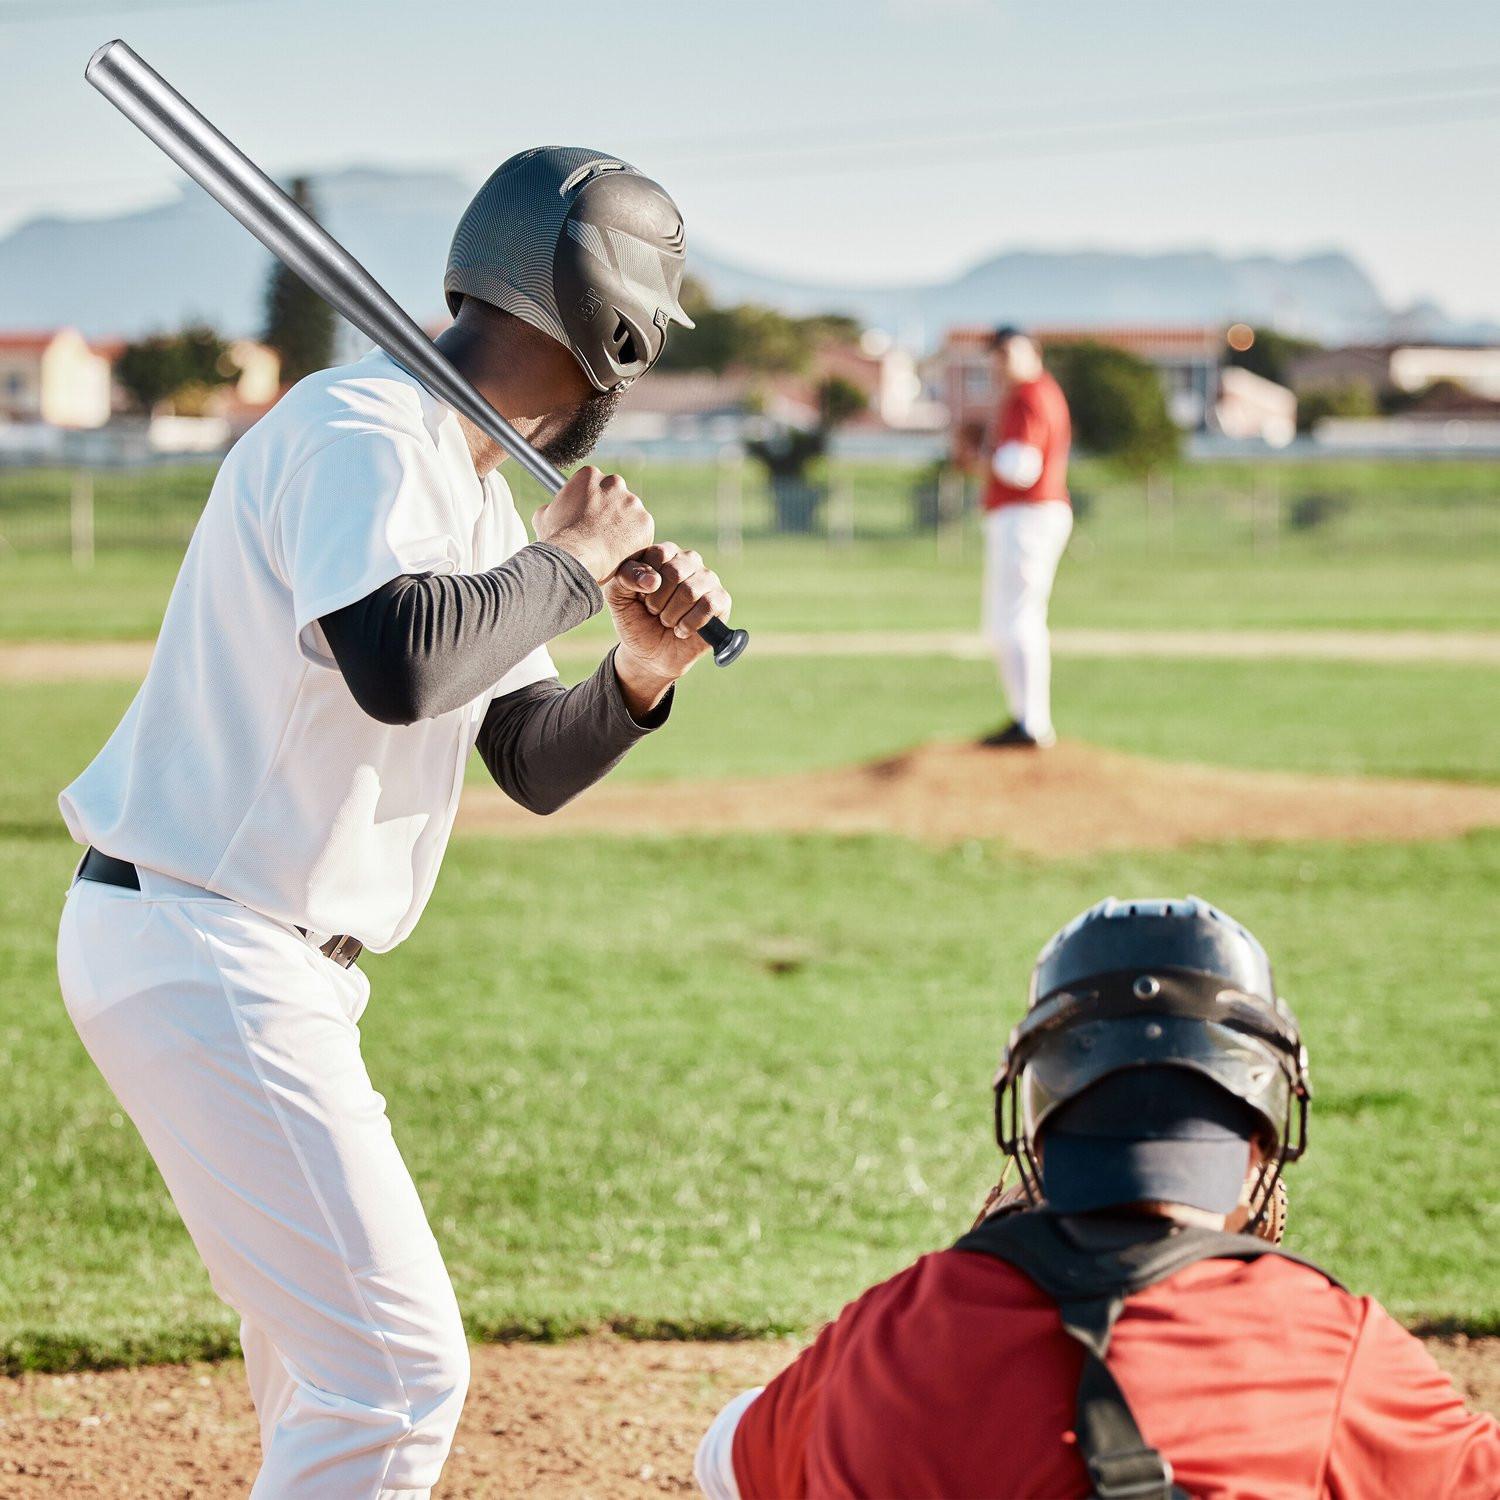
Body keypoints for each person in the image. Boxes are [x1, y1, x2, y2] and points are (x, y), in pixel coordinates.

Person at [56, 146, 728, 1498]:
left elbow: (528, 756)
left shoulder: (465, 484)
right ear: (619, 330)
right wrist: (570, 563)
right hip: (211, 945)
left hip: (242, 958)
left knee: (329, 1370)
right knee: (397, 1375)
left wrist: (638, 668)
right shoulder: (360, 429)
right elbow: (400, 657)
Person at [696, 897, 1499, 1499]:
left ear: (1036, 1127)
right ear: (1262, 1136)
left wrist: (969, 1280)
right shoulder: (1333, 1348)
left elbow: (724, 1462)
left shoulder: (891, 1335)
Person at [968, 325, 1073, 749]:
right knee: (1009, 620)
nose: (1001, 360)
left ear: (1034, 351)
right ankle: (1026, 720)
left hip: (1027, 513)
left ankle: (1031, 724)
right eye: (997, 353)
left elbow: (1019, 467)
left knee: (1017, 620)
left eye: (1009, 351)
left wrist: (980, 455)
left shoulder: (1030, 394)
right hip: (1028, 513)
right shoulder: (1032, 392)